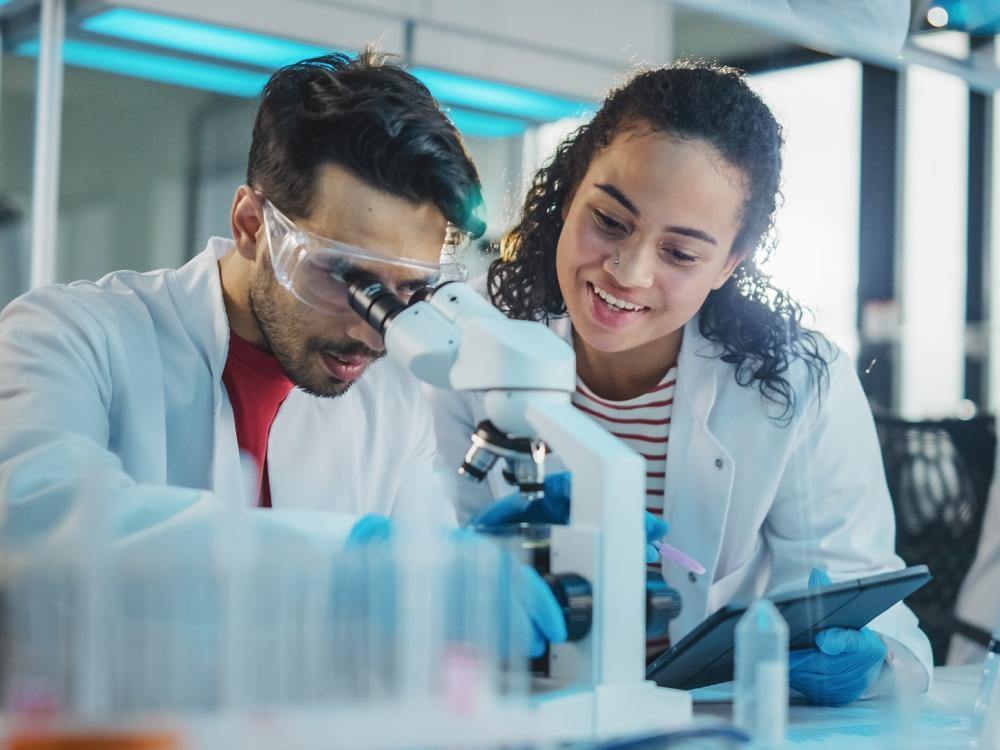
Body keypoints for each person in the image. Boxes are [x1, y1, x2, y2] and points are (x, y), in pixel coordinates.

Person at [0, 51, 564, 656]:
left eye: (409, 290)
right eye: (346, 277)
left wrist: (475, 569)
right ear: (250, 223)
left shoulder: (394, 396)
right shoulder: (68, 337)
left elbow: (408, 618)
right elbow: (37, 532)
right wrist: (351, 564)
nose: (374, 332)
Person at [431, 61, 933, 704]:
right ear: (570, 192)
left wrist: (871, 663)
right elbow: (400, 558)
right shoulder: (461, 339)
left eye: (681, 253)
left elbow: (869, 600)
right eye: (609, 221)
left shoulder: (798, 385)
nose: (628, 272)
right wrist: (454, 572)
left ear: (728, 264)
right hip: (501, 707)